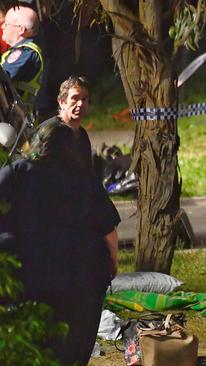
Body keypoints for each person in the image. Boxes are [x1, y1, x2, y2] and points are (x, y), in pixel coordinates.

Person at [0, 122, 120, 365]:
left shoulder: (15, 172)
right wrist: (112, 261)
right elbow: (108, 229)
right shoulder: (83, 178)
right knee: (73, 343)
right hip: (80, 275)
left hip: (26, 273)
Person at [38, 76, 94, 173]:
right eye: (75, 98)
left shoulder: (83, 136)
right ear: (62, 102)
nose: (80, 103)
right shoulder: (49, 132)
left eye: (84, 99)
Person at [0, 5, 43, 111]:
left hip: (15, 122)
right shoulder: (16, 51)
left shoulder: (26, 52)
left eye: (7, 24)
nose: (2, 27)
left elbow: (3, 77)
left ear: (21, 29)